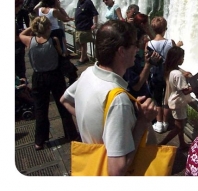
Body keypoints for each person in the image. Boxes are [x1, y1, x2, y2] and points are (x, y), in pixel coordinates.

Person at [60, 20, 158, 176]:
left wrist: (97, 124)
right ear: (121, 51)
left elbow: (64, 100)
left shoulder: (88, 73)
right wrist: (142, 121)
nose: (137, 48)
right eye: (133, 44)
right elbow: (116, 171)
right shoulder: (118, 100)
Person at [19, 16, 79, 150]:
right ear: (48, 28)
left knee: (41, 110)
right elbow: (62, 55)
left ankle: (39, 142)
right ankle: (71, 135)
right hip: (55, 76)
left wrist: (33, 25)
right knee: (63, 106)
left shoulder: (30, 41)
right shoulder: (54, 40)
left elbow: (21, 34)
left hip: (38, 77)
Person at [145, 16, 184, 134]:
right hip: (167, 74)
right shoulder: (170, 42)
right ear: (165, 29)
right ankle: (166, 122)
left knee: (157, 99)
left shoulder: (149, 43)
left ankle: (159, 123)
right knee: (166, 99)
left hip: (154, 74)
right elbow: (172, 56)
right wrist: (177, 46)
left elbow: (146, 59)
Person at [159, 46, 193, 149]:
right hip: (179, 102)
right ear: (177, 58)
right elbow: (185, 90)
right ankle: (161, 144)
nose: (183, 59)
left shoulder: (171, 70)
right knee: (178, 127)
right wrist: (196, 86)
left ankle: (182, 143)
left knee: (180, 126)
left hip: (176, 101)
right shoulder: (178, 74)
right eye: (182, 57)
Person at [74, 0, 99, 66]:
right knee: (78, 42)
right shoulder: (79, 2)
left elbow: (95, 13)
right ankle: (84, 57)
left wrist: (95, 24)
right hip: (78, 26)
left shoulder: (88, 2)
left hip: (85, 27)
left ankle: (82, 59)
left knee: (83, 43)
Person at [15, 0, 26, 79]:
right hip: (17, 50)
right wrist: (24, 35)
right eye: (19, 6)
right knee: (20, 72)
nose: (19, 8)